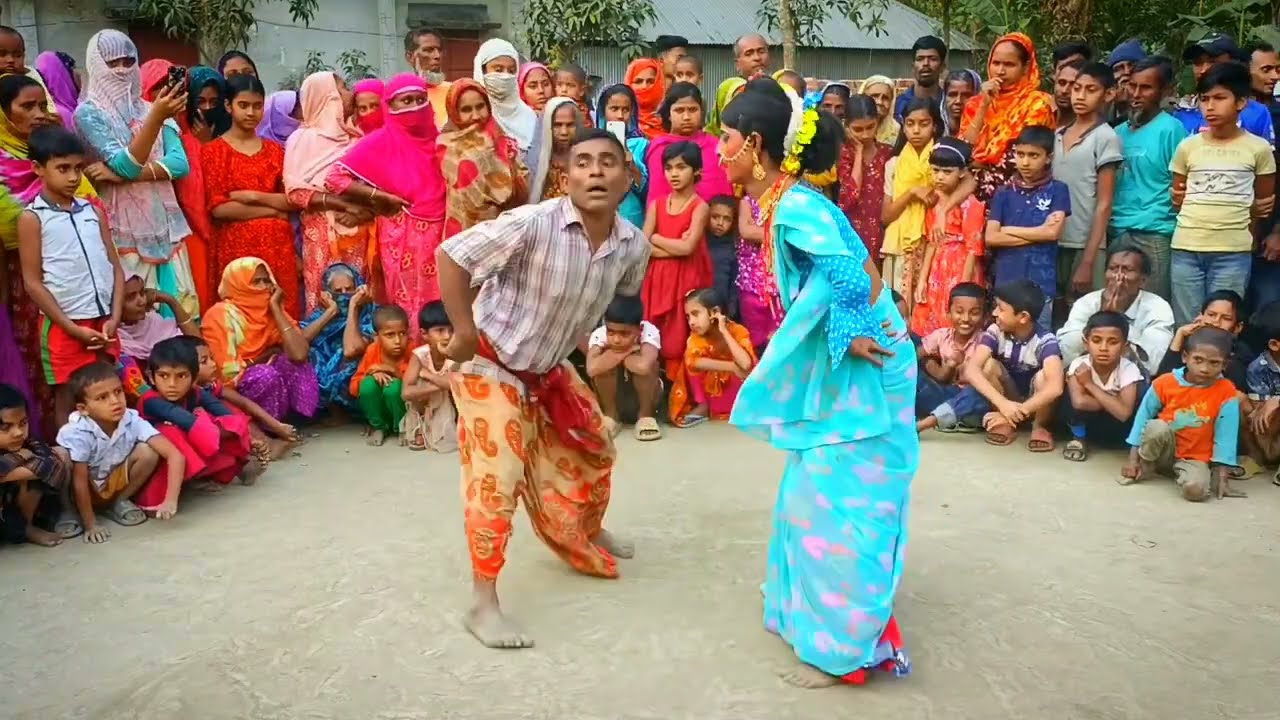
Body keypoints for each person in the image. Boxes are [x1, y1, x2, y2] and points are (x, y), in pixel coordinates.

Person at [716, 78, 916, 688]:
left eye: (725, 139)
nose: (719, 151)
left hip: (869, 357)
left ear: (754, 144)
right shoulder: (786, 200)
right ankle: (811, 620)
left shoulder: (796, 206)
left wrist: (849, 332)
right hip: (856, 353)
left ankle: (846, 651)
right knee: (809, 495)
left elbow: (851, 274)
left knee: (841, 507)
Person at [435, 126, 648, 649]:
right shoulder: (531, 223)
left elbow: (594, 301)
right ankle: (483, 604)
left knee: (596, 445)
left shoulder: (632, 247)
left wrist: (587, 349)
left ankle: (587, 529)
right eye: (582, 162)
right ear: (565, 176)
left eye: (607, 162)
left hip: (545, 368)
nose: (595, 172)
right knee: (498, 478)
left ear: (627, 178)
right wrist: (462, 330)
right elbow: (451, 256)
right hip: (489, 363)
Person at [74, 30, 200, 317]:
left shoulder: (151, 108)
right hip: (122, 230)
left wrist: (123, 176)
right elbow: (125, 164)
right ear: (95, 65)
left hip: (165, 224)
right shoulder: (89, 115)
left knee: (181, 311)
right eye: (112, 63)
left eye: (128, 61)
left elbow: (179, 164)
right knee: (138, 316)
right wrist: (156, 119)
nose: (121, 70)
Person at [0, 74, 98, 433]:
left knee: (78, 362)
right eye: (27, 106)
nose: (38, 113)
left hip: (75, 274)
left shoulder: (59, 154)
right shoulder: (3, 161)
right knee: (37, 357)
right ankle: (43, 437)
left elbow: (89, 205)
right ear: (4, 112)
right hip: (21, 274)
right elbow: (10, 223)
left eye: (42, 105)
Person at [17, 127, 123, 427]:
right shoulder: (32, 218)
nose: (74, 177)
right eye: (63, 168)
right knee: (68, 396)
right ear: (38, 168)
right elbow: (32, 283)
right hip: (64, 325)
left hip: (103, 323)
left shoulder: (93, 212)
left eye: (78, 168)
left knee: (107, 390)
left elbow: (115, 267)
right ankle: (70, 452)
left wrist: (114, 317)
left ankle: (109, 451)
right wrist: (71, 328)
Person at [332, 74, 447, 333]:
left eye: (420, 99)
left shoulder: (440, 139)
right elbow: (335, 178)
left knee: (443, 303)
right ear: (390, 105)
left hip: (443, 232)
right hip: (402, 231)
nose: (414, 107)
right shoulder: (379, 141)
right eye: (406, 101)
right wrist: (380, 197)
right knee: (407, 304)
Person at [1169, 62, 1276, 325]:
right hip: (1186, 247)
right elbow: (1178, 197)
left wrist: (1247, 231)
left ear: (1241, 102)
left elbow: (1263, 203)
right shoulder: (1187, 147)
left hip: (1233, 251)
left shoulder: (1258, 148)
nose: (1210, 106)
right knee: (1188, 324)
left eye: (1219, 98)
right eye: (1205, 99)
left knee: (1223, 323)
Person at [927, 280, 1065, 449]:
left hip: (1035, 405)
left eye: (1001, 308)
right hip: (1006, 400)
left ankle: (1039, 426)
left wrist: (1018, 411)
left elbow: (1055, 388)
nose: (994, 313)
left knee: (1045, 378)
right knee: (989, 366)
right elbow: (972, 370)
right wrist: (1003, 405)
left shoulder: (1045, 340)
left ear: (1023, 317)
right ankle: (1005, 421)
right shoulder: (995, 331)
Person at [57, 362, 183, 542]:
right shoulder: (77, 431)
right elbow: (79, 482)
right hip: (84, 487)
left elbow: (174, 455)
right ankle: (68, 510)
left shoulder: (131, 419)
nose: (115, 401)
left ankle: (119, 501)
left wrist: (170, 501)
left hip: (112, 483)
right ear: (83, 409)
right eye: (102, 398)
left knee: (148, 451)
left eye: (118, 392)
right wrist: (91, 525)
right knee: (61, 456)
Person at [203, 74, 298, 309]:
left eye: (257, 106)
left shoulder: (276, 152)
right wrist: (273, 211)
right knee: (240, 313)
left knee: (280, 313)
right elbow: (220, 209)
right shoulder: (214, 152)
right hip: (235, 246)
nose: (250, 113)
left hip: (277, 247)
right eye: (243, 105)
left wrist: (253, 196)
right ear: (228, 106)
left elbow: (292, 200)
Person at [284, 71, 375, 313]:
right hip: (321, 233)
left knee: (359, 296)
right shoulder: (302, 139)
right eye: (342, 88)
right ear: (328, 97)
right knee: (324, 298)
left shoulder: (357, 137)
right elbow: (296, 193)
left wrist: (361, 211)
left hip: (358, 229)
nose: (349, 93)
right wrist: (343, 204)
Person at [1122, 326, 1242, 501]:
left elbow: (1226, 435)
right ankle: (1146, 463)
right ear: (1185, 357)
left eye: (1214, 363)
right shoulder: (1164, 382)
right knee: (1157, 427)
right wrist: (1132, 461)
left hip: (1194, 457)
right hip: (1162, 450)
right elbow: (1142, 419)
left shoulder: (1226, 391)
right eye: (1198, 360)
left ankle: (1185, 476)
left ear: (1224, 365)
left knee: (1196, 492)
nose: (1204, 368)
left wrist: (1222, 477)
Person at [136, 336, 258, 506]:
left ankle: (231, 466)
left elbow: (225, 414)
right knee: (173, 431)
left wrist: (248, 439)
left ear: (194, 378)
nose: (172, 384)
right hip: (159, 461)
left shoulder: (195, 392)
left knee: (228, 422)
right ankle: (182, 487)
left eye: (181, 376)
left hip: (188, 447)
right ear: (151, 377)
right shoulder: (151, 400)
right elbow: (188, 421)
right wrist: (206, 421)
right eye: (163, 376)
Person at [138, 60, 217, 310]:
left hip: (189, 235)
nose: (168, 94)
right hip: (141, 232)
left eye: (175, 88)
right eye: (159, 87)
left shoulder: (188, 136)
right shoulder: (133, 133)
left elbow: (195, 196)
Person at [201, 257, 320, 422]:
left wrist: (276, 309)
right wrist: (268, 355)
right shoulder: (220, 315)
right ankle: (265, 425)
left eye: (267, 280)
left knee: (294, 363)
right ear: (238, 284)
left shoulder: (270, 310)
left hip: (262, 371)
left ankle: (297, 419)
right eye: (256, 282)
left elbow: (300, 353)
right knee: (266, 374)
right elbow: (227, 375)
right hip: (233, 391)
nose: (264, 287)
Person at [1109, 57, 1186, 300]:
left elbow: (1182, 184)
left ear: (1165, 91)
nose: (1135, 94)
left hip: (1155, 233)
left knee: (1153, 306)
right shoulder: (1116, 133)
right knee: (1114, 305)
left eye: (1146, 88)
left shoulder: (1172, 130)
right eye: (1132, 86)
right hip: (1117, 231)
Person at [985, 125, 1070, 328]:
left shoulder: (1058, 190)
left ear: (1048, 158)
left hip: (1040, 284)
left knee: (1039, 339)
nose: (1025, 162)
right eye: (1020, 154)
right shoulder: (1004, 193)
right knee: (1002, 339)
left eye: (1034, 155)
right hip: (1007, 282)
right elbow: (991, 237)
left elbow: (1052, 233)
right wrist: (1040, 232)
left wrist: (1007, 230)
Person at [642, 140, 713, 380]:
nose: (674, 174)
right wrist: (675, 246)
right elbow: (643, 246)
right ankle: (657, 387)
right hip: (658, 280)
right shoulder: (657, 205)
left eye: (681, 167)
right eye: (669, 168)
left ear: (696, 171)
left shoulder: (700, 207)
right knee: (653, 334)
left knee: (681, 337)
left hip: (686, 280)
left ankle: (681, 391)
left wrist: (656, 238)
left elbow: (688, 248)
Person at [1054, 62, 1122, 302]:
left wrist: (1088, 261)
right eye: (1077, 88)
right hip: (1053, 237)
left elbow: (1104, 203)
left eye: (1090, 90)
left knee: (1084, 309)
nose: (1080, 96)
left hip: (1085, 243)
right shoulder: (1058, 134)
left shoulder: (1105, 137)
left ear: (1109, 94)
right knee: (1055, 308)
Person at [960, 32, 1056, 200]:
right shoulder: (975, 104)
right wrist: (984, 105)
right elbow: (961, 150)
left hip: (1016, 194)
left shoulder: (1037, 104)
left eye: (1009, 64)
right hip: (969, 196)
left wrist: (976, 162)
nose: (1000, 71)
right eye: (996, 63)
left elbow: (1022, 157)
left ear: (1025, 67)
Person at [1057, 246, 1174, 375]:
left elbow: (1153, 365)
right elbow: (1067, 353)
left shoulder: (1158, 307)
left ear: (1143, 281)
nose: (1118, 277)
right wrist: (1102, 318)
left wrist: (1118, 320)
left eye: (1127, 270)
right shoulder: (1087, 303)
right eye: (1113, 269)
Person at [911, 137, 984, 335]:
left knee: (956, 318)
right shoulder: (936, 201)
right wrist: (922, 279)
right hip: (937, 268)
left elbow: (973, 250)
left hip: (959, 267)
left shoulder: (970, 204)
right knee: (928, 320)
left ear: (962, 172)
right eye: (935, 171)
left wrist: (964, 288)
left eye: (947, 172)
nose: (940, 177)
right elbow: (931, 241)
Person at [439, 79, 528, 237]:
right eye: (466, 110)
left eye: (480, 106)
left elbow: (522, 183)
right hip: (463, 231)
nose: (476, 116)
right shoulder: (447, 146)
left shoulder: (502, 141)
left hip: (506, 230)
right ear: (454, 112)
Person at [1061, 310, 1144, 462]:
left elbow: (1124, 413)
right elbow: (1079, 402)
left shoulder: (1129, 369)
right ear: (1086, 342)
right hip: (1087, 426)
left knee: (1141, 394)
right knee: (1066, 390)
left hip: (1117, 430)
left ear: (1125, 346)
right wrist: (1114, 402)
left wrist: (1089, 384)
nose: (1104, 348)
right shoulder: (1080, 365)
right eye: (1096, 340)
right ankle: (1078, 439)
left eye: (1113, 342)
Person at [668, 287, 754, 428]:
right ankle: (704, 406)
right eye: (688, 316)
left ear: (715, 312)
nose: (691, 322)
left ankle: (738, 407)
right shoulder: (697, 337)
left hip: (736, 390)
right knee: (689, 359)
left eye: (696, 314)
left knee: (745, 366)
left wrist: (724, 331)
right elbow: (692, 362)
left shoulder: (738, 331)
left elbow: (745, 364)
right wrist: (732, 367)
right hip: (711, 393)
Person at [881, 97, 940, 301]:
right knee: (899, 305)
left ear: (935, 126)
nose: (916, 130)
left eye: (924, 124)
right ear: (903, 126)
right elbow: (886, 216)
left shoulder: (941, 163)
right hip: (900, 244)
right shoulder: (893, 164)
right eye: (910, 123)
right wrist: (912, 192)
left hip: (932, 242)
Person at [585, 294, 663, 440]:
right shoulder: (599, 334)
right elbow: (592, 369)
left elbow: (644, 367)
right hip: (614, 396)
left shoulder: (649, 331)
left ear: (639, 329)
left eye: (624, 334)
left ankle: (645, 417)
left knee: (651, 365)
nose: (616, 340)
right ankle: (611, 417)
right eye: (611, 332)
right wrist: (626, 352)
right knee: (602, 368)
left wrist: (610, 355)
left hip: (645, 397)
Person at [0, 382, 69, 546]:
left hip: (12, 511)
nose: (18, 433)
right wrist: (21, 458)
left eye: (23, 423)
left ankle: (26, 527)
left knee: (60, 454)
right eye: (6, 427)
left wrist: (12, 469)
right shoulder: (24, 450)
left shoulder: (29, 444)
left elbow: (54, 466)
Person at [300, 262, 371, 416]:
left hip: (358, 377)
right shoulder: (321, 314)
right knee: (308, 354)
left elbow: (351, 350)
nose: (344, 294)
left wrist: (353, 307)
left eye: (349, 289)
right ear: (328, 293)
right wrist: (331, 312)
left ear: (357, 287)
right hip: (325, 377)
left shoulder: (368, 313)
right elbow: (299, 342)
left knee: (343, 354)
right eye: (338, 291)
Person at [1174, 35, 1274, 142]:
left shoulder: (1256, 113)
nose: (1203, 70)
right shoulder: (1181, 113)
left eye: (1212, 62)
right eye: (1197, 63)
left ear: (1233, 63)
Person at [645, 82, 733, 202]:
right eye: (679, 110)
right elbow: (657, 197)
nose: (686, 117)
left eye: (693, 110)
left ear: (701, 111)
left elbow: (724, 192)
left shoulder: (716, 146)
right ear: (669, 114)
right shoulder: (659, 148)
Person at [915, 282, 986, 427]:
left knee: (978, 396)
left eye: (974, 313)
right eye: (959, 312)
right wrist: (937, 366)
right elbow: (914, 356)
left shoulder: (986, 341)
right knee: (913, 369)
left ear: (985, 316)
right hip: (942, 393)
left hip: (967, 397)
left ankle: (958, 417)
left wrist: (962, 367)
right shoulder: (941, 335)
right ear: (948, 313)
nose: (965, 318)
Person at [1155, 290, 1253, 392]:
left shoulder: (1241, 354)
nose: (1215, 322)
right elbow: (1160, 387)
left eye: (1226, 318)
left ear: (1238, 327)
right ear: (1200, 317)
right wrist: (1179, 336)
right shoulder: (1188, 342)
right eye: (1211, 315)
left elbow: (1236, 392)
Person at [837, 95, 893, 264]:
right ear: (847, 127)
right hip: (851, 234)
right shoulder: (843, 155)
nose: (865, 134)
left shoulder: (888, 153)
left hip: (883, 235)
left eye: (870, 127)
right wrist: (859, 152)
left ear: (878, 122)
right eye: (858, 129)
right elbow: (849, 197)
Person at [350, 304, 412, 446]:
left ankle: (402, 428)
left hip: (405, 410)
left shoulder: (412, 350)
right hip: (381, 410)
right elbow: (354, 387)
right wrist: (372, 373)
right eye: (390, 335)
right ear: (376, 337)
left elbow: (418, 383)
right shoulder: (372, 350)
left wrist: (393, 370)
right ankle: (379, 427)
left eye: (402, 333)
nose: (397, 341)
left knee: (394, 388)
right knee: (368, 385)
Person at [401, 300, 456, 452]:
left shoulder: (457, 353)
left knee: (459, 386)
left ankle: (451, 426)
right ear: (424, 334)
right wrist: (439, 385)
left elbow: (454, 385)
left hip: (453, 403)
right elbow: (406, 393)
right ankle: (421, 427)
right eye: (440, 330)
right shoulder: (420, 355)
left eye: (451, 330)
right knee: (419, 385)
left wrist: (429, 375)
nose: (447, 336)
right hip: (428, 404)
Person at [594, 84, 649, 228]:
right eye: (614, 109)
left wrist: (630, 162)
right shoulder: (591, 142)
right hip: (599, 217)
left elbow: (648, 190)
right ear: (603, 112)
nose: (620, 115)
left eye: (625, 110)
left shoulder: (641, 144)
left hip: (631, 217)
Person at [472, 39, 536, 153]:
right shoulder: (471, 114)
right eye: (498, 70)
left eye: (511, 71)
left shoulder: (529, 117)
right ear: (482, 71)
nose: (505, 76)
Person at [1239, 301, 1280, 479]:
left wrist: (1277, 399)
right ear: (1274, 345)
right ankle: (1256, 458)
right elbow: (1261, 413)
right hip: (1266, 429)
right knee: (1237, 400)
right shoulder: (1258, 368)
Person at [117, 274, 199, 363]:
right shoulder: (114, 340)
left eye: (142, 293)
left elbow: (198, 346)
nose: (142, 302)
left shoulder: (153, 321)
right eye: (131, 297)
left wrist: (171, 300)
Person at [528, 97, 580, 202]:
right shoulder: (534, 160)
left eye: (570, 125)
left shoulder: (584, 158)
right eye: (557, 125)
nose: (564, 132)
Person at [404, 28, 451, 127]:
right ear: (410, 57)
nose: (437, 56)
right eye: (428, 50)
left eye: (439, 50)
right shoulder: (401, 96)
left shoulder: (454, 91)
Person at [895, 36, 947, 123]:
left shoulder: (948, 104)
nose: (926, 63)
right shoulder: (898, 105)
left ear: (942, 66)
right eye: (920, 59)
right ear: (913, 66)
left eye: (933, 59)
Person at [706, 195, 739, 319]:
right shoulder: (698, 243)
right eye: (715, 217)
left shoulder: (734, 249)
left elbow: (734, 283)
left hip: (721, 309)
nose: (720, 223)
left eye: (727, 219)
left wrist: (731, 310)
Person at [1105, 39, 1147, 127]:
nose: (1127, 72)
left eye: (1132, 65)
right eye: (1118, 68)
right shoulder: (1101, 112)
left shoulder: (1165, 108)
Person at [33, 51, 79, 130]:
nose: (78, 74)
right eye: (72, 69)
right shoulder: (61, 114)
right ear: (62, 75)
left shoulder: (64, 108)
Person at [625, 58, 666, 140]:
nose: (644, 86)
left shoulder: (670, 116)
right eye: (638, 81)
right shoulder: (622, 118)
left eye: (650, 81)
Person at [859, 75, 900, 145]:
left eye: (885, 98)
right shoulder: (848, 127)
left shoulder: (897, 131)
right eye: (874, 96)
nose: (879, 102)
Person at [940, 69, 979, 136]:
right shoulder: (934, 128)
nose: (958, 101)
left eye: (966, 95)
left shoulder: (986, 130)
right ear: (944, 96)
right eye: (952, 95)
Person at [1052, 59, 1083, 129]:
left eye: (1073, 85)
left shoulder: (1093, 132)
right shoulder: (1039, 117)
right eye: (1061, 83)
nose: (1064, 90)